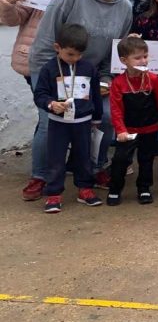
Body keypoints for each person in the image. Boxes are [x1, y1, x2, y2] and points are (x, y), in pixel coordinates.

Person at [29, 0, 134, 194]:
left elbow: (115, 49)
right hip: (53, 68)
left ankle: (95, 168)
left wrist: (106, 78)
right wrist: (51, 75)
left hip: (92, 75)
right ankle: (40, 176)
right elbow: (46, 37)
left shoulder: (125, 8)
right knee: (50, 121)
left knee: (106, 117)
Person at [3, 0, 87, 197]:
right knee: (48, 118)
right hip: (40, 64)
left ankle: (72, 166)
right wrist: (8, 0)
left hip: (75, 64)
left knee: (78, 114)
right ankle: (40, 175)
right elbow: (12, 19)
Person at [33, 24, 104, 213]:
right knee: (56, 159)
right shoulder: (49, 69)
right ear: (57, 47)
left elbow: (95, 94)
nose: (75, 58)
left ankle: (85, 189)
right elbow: (40, 94)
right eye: (70, 54)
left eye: (79, 55)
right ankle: (54, 193)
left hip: (83, 122)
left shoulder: (88, 68)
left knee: (84, 157)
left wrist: (97, 118)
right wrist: (51, 104)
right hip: (59, 123)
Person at [106, 37, 158, 207]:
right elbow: (116, 110)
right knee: (120, 160)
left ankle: (144, 188)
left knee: (147, 160)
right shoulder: (118, 83)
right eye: (137, 58)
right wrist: (120, 130)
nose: (143, 61)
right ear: (124, 60)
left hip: (150, 128)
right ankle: (115, 189)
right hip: (127, 131)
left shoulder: (153, 79)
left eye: (145, 56)